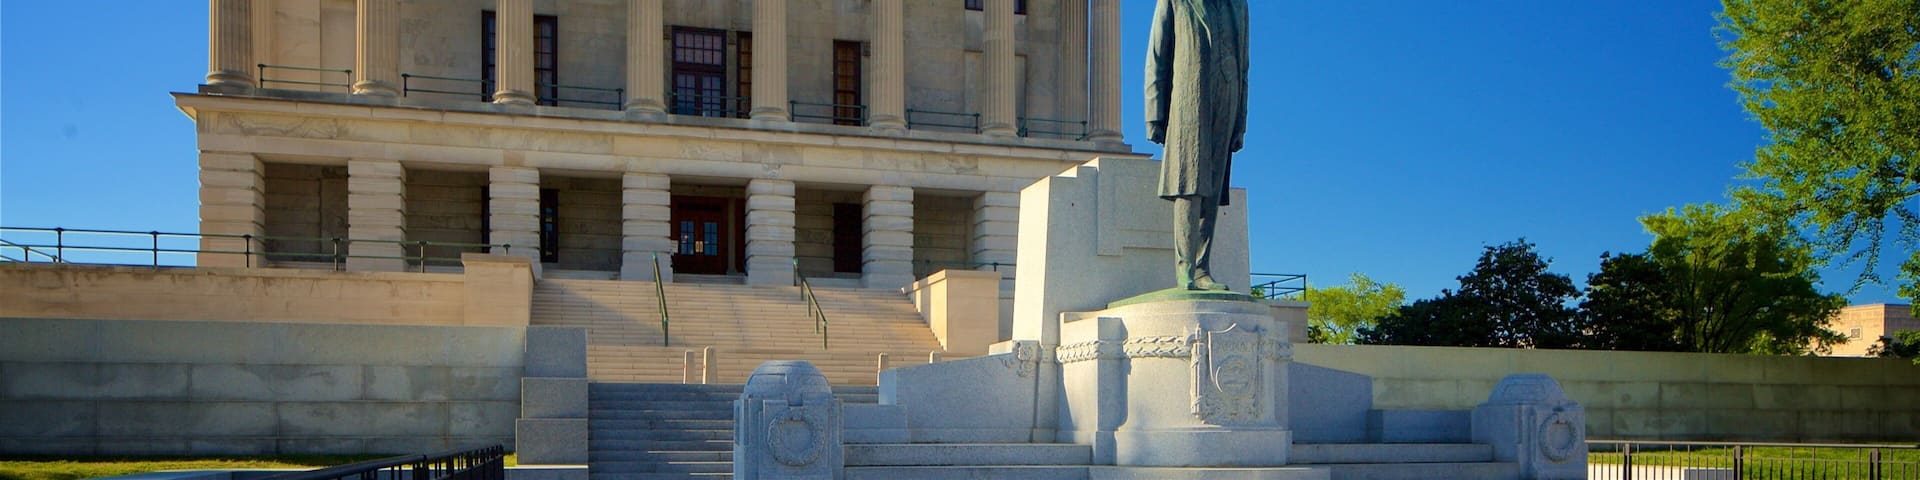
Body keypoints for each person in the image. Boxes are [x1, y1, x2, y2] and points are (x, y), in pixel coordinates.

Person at [1145, 0, 1250, 291]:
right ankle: (1186, 270)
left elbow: (1244, 67)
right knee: (1188, 182)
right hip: (1188, 99)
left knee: (1213, 188)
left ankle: (1203, 267)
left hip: (1226, 98)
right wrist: (1154, 113)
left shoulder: (1238, 6)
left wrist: (1240, 121)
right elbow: (1158, 55)